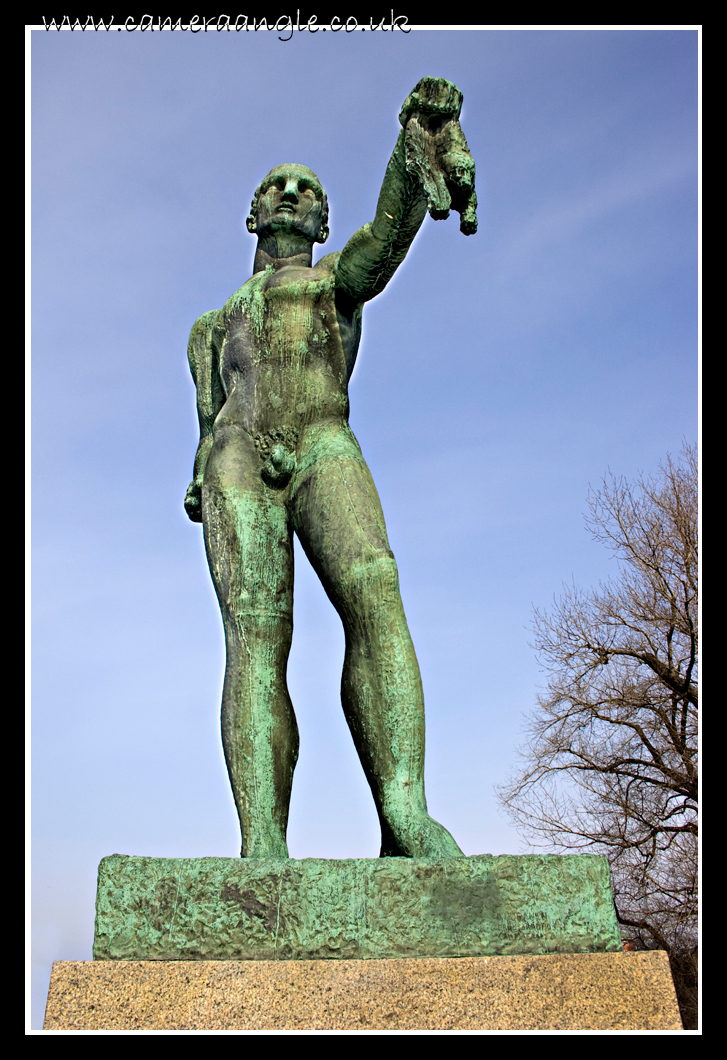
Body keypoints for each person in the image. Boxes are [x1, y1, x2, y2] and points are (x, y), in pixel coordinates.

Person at [185, 78, 477, 859]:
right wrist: (199, 475)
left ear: (321, 219)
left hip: (322, 441)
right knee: (255, 637)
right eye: (274, 188)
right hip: (239, 456)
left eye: (306, 189)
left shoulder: (332, 285)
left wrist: (414, 144)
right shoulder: (210, 327)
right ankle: (263, 847)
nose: (289, 193)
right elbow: (208, 415)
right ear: (253, 216)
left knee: (375, 591)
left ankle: (405, 813)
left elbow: (384, 240)